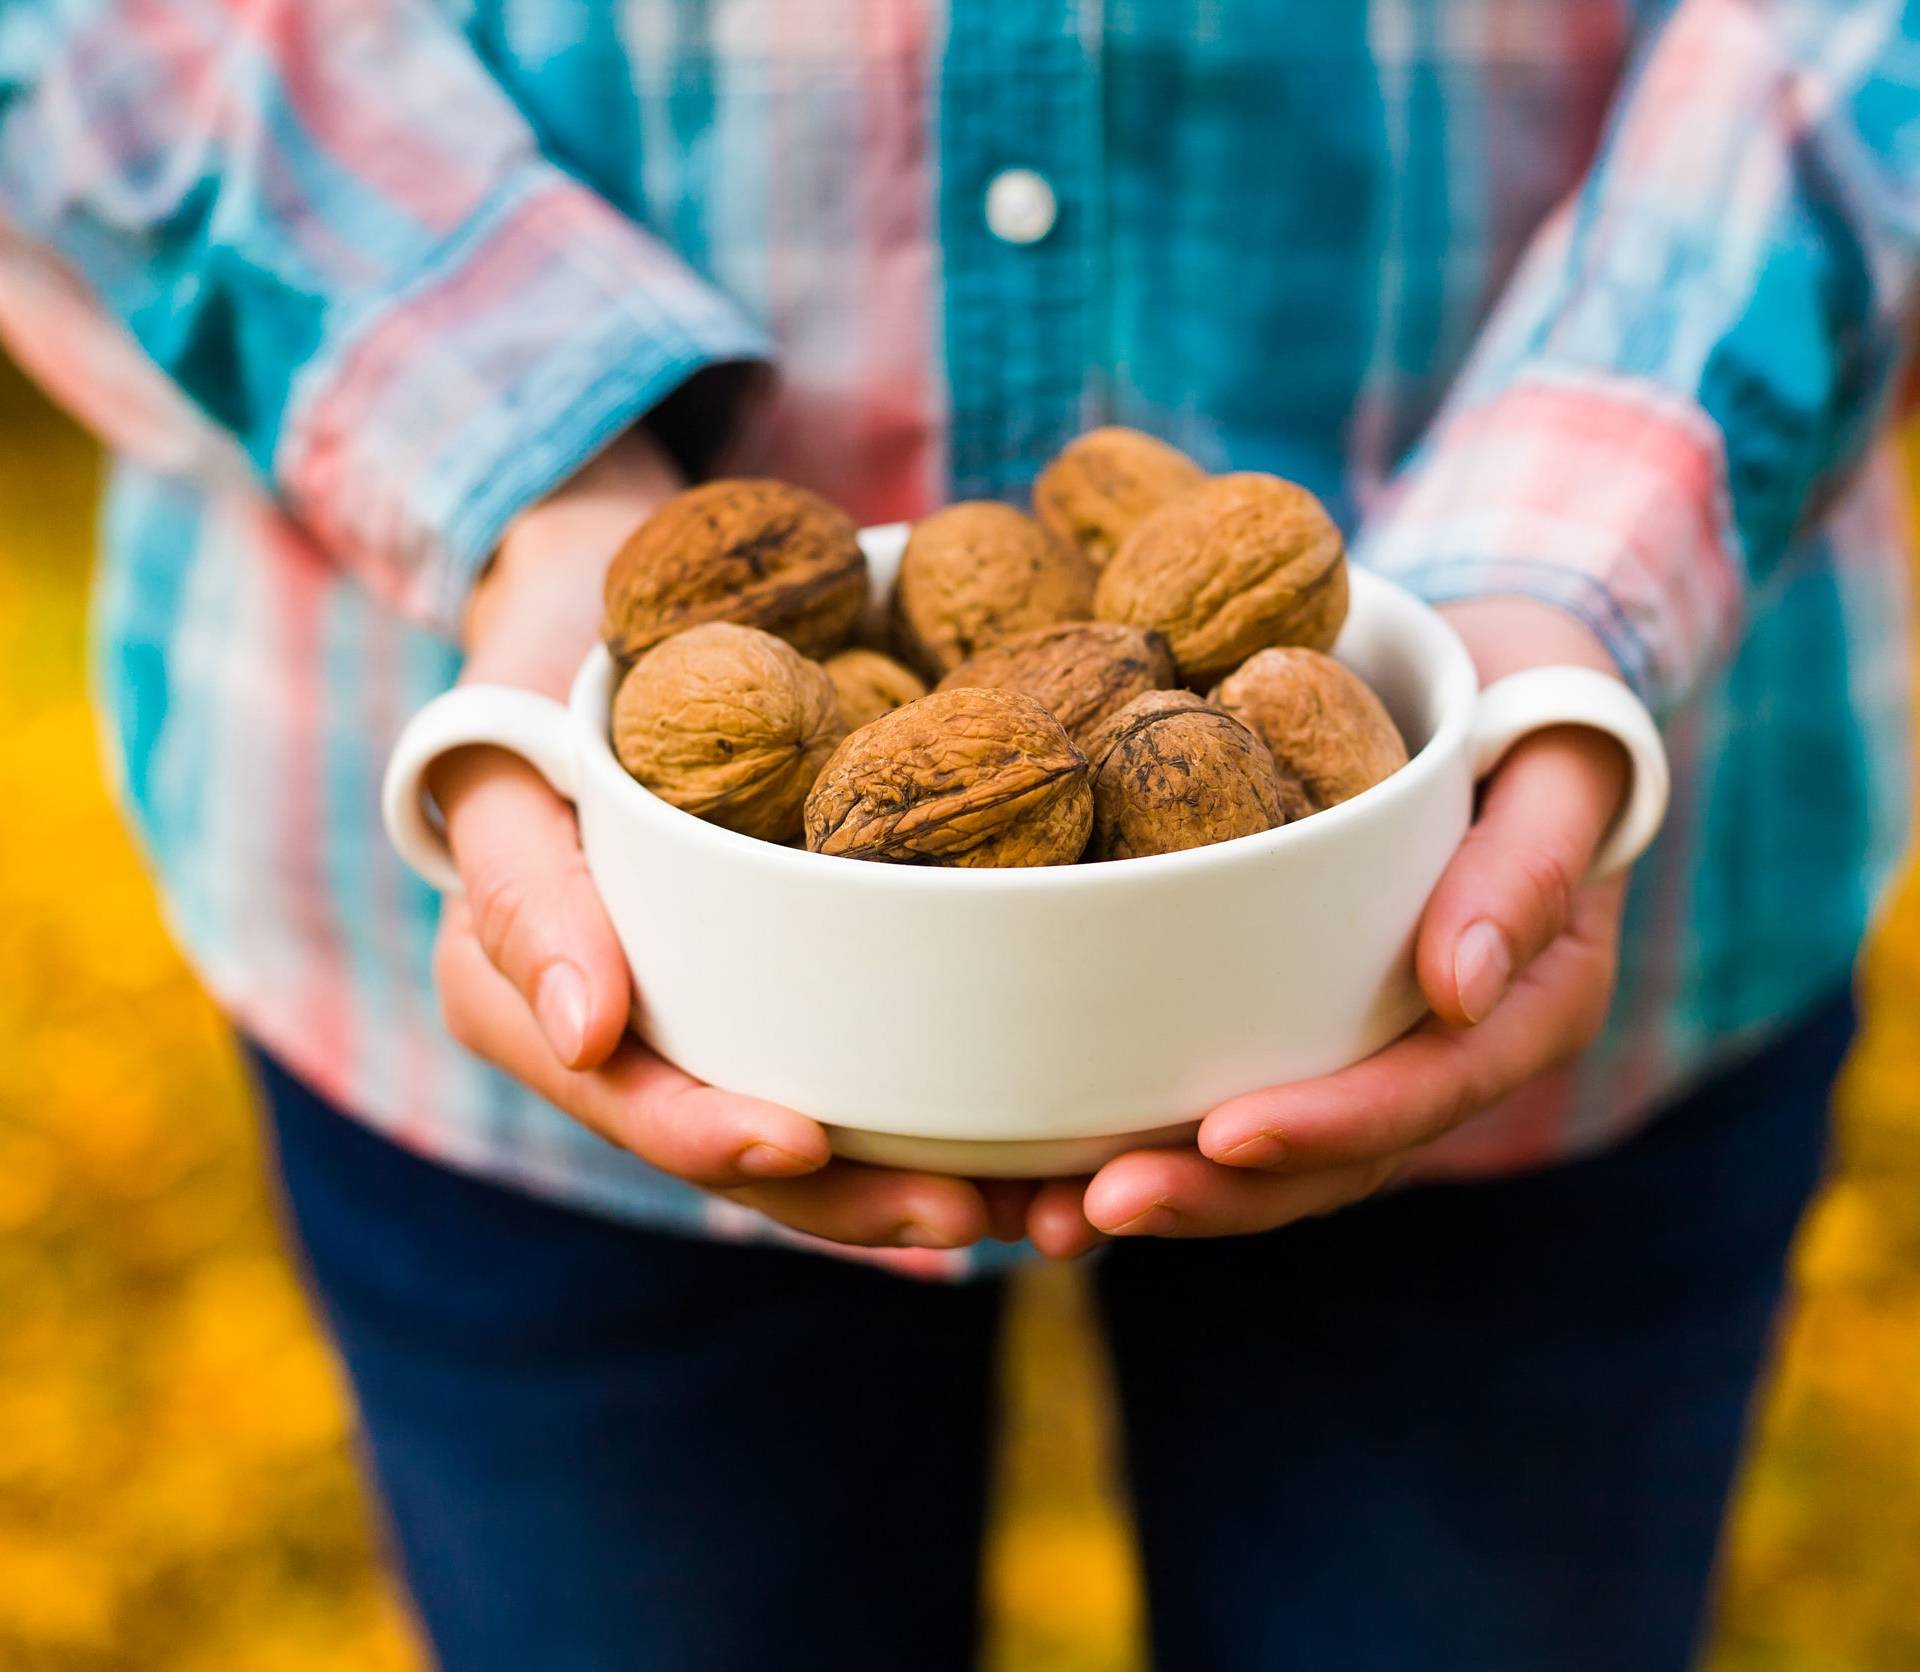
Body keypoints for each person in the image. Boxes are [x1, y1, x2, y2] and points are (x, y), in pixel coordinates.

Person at [2, 3, 1912, 1667]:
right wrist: (526, 470)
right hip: (543, 950)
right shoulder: (811, 694)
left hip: (1548, 902)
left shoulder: (1190, 658)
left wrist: (1583, 541)